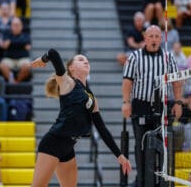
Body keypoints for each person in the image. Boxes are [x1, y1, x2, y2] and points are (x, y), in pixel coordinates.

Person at [30, 48, 131, 186]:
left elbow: (101, 128)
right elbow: (53, 53)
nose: (86, 61)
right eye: (80, 59)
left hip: (68, 147)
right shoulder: (67, 82)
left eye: (87, 60)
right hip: (53, 142)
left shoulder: (91, 97)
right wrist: (43, 59)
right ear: (71, 67)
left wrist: (119, 155)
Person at [122, 25, 182, 187]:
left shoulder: (168, 57)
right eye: (151, 36)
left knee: (162, 144)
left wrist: (178, 102)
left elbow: (177, 81)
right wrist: (126, 102)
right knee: (140, 144)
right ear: (145, 38)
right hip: (140, 105)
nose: (154, 39)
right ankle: (141, 179)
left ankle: (161, 180)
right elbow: (128, 81)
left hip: (162, 106)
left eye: (157, 36)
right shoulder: (135, 57)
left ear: (161, 39)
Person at [0, 17, 31, 83]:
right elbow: (4, 46)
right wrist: (21, 43)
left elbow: (28, 47)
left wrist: (11, 42)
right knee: (2, 65)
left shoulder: (26, 35)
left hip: (22, 59)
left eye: (18, 25)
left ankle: (17, 81)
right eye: (14, 25)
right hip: (9, 59)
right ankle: (12, 80)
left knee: (28, 66)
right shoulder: (7, 34)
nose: (16, 27)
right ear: (11, 26)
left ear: (21, 26)